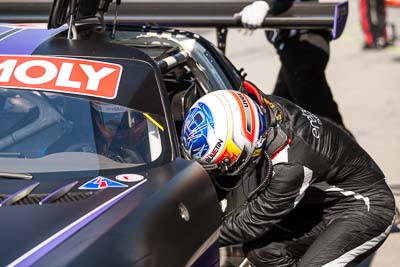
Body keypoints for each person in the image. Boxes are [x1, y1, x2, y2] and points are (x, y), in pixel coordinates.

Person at [180, 88, 395, 266]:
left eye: (224, 162)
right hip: (324, 205)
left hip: (366, 208)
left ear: (244, 144)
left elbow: (253, 221)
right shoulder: (258, 110)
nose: (221, 169)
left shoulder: (291, 164)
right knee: (262, 252)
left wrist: (197, 239)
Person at [238, 0, 345, 127]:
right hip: (293, 48)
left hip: (304, 46)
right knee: (278, 112)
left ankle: (347, 146)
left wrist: (264, 4)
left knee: (322, 120)